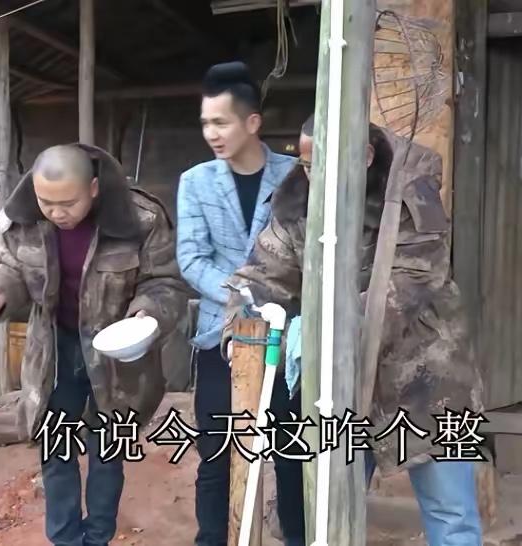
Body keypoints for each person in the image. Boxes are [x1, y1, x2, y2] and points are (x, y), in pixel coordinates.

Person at [222, 117, 486, 546]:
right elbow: (261, 274)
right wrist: (241, 326)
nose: (313, 176)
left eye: (323, 165)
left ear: (363, 157)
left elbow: (411, 282)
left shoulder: (410, 192)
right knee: (328, 515)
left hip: (426, 378)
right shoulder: (297, 201)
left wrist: (319, 329)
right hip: (339, 387)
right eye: (307, 165)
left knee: (450, 514)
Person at [0, 143, 189, 546]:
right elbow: (6, 266)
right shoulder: (24, 217)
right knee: (55, 444)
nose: (56, 213)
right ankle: (65, 539)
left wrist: (147, 315)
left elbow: (164, 281)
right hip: (55, 351)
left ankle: (98, 537)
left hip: (116, 355)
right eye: (47, 203)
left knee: (107, 448)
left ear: (93, 188)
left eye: (67, 204)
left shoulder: (140, 218)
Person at [176, 61, 306, 546]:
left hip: (284, 336)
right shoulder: (195, 181)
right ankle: (212, 538)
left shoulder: (294, 175)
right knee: (215, 451)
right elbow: (191, 258)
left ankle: (297, 536)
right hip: (219, 336)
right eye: (205, 123)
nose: (211, 133)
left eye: (221, 122)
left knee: (290, 452)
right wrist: (244, 290)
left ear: (252, 122)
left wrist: (272, 295)